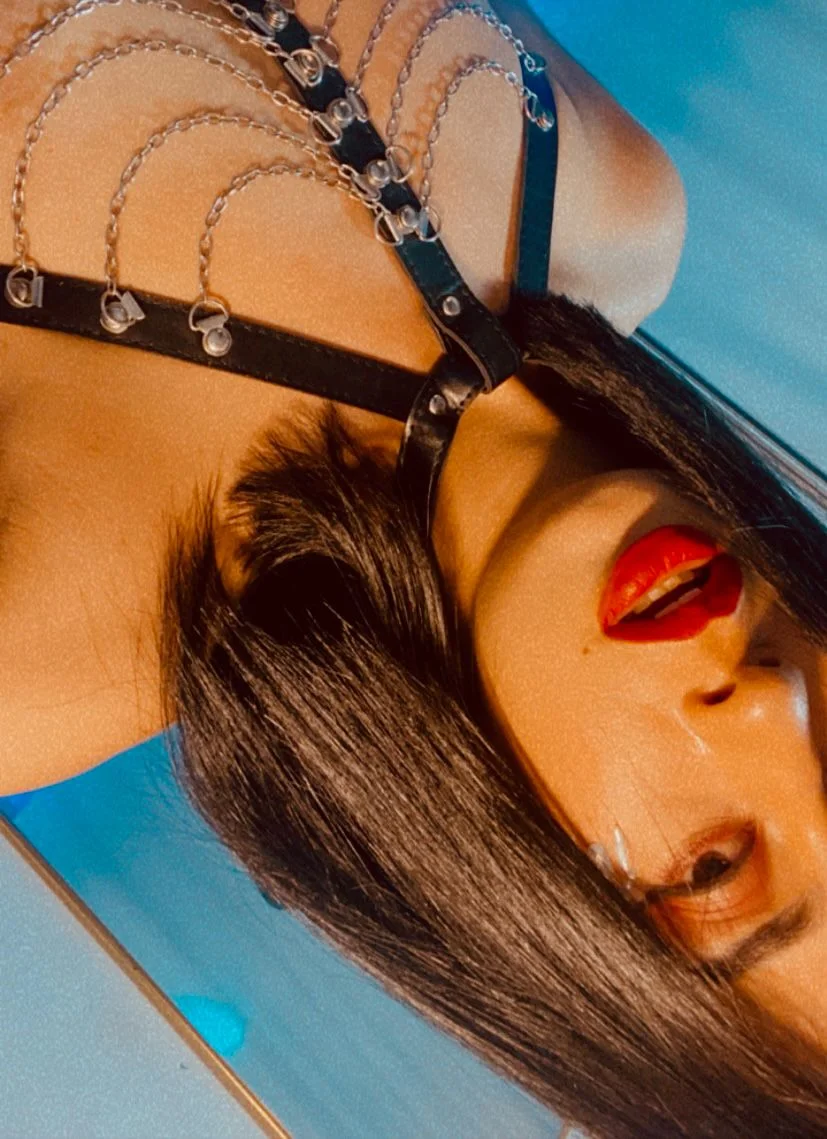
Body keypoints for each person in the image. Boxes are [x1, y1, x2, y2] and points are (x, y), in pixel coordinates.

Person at [0, 0, 825, 1135]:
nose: (770, 705)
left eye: (714, 864)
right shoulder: (617, 206)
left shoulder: (41, 650)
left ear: (538, 929)